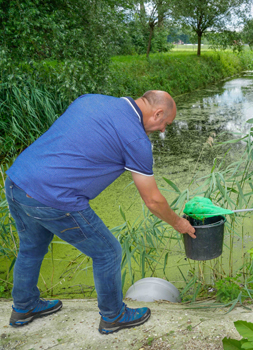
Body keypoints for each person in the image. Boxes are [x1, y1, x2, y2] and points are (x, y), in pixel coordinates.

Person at [5, 91, 196, 334]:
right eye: (164, 124)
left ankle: (24, 307)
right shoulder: (136, 141)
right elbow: (153, 201)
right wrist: (179, 223)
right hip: (54, 198)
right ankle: (113, 316)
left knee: (31, 248)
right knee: (108, 252)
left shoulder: (91, 99)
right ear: (157, 113)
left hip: (17, 182)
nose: (161, 130)